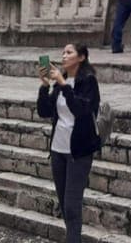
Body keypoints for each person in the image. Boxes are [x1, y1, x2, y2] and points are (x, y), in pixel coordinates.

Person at [37, 43, 101, 243]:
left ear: (81, 57)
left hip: (78, 152)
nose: (64, 56)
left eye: (69, 52)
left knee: (73, 206)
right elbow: (44, 112)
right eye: (63, 52)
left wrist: (64, 84)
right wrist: (45, 85)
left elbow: (81, 110)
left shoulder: (88, 82)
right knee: (65, 206)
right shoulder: (58, 82)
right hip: (58, 149)